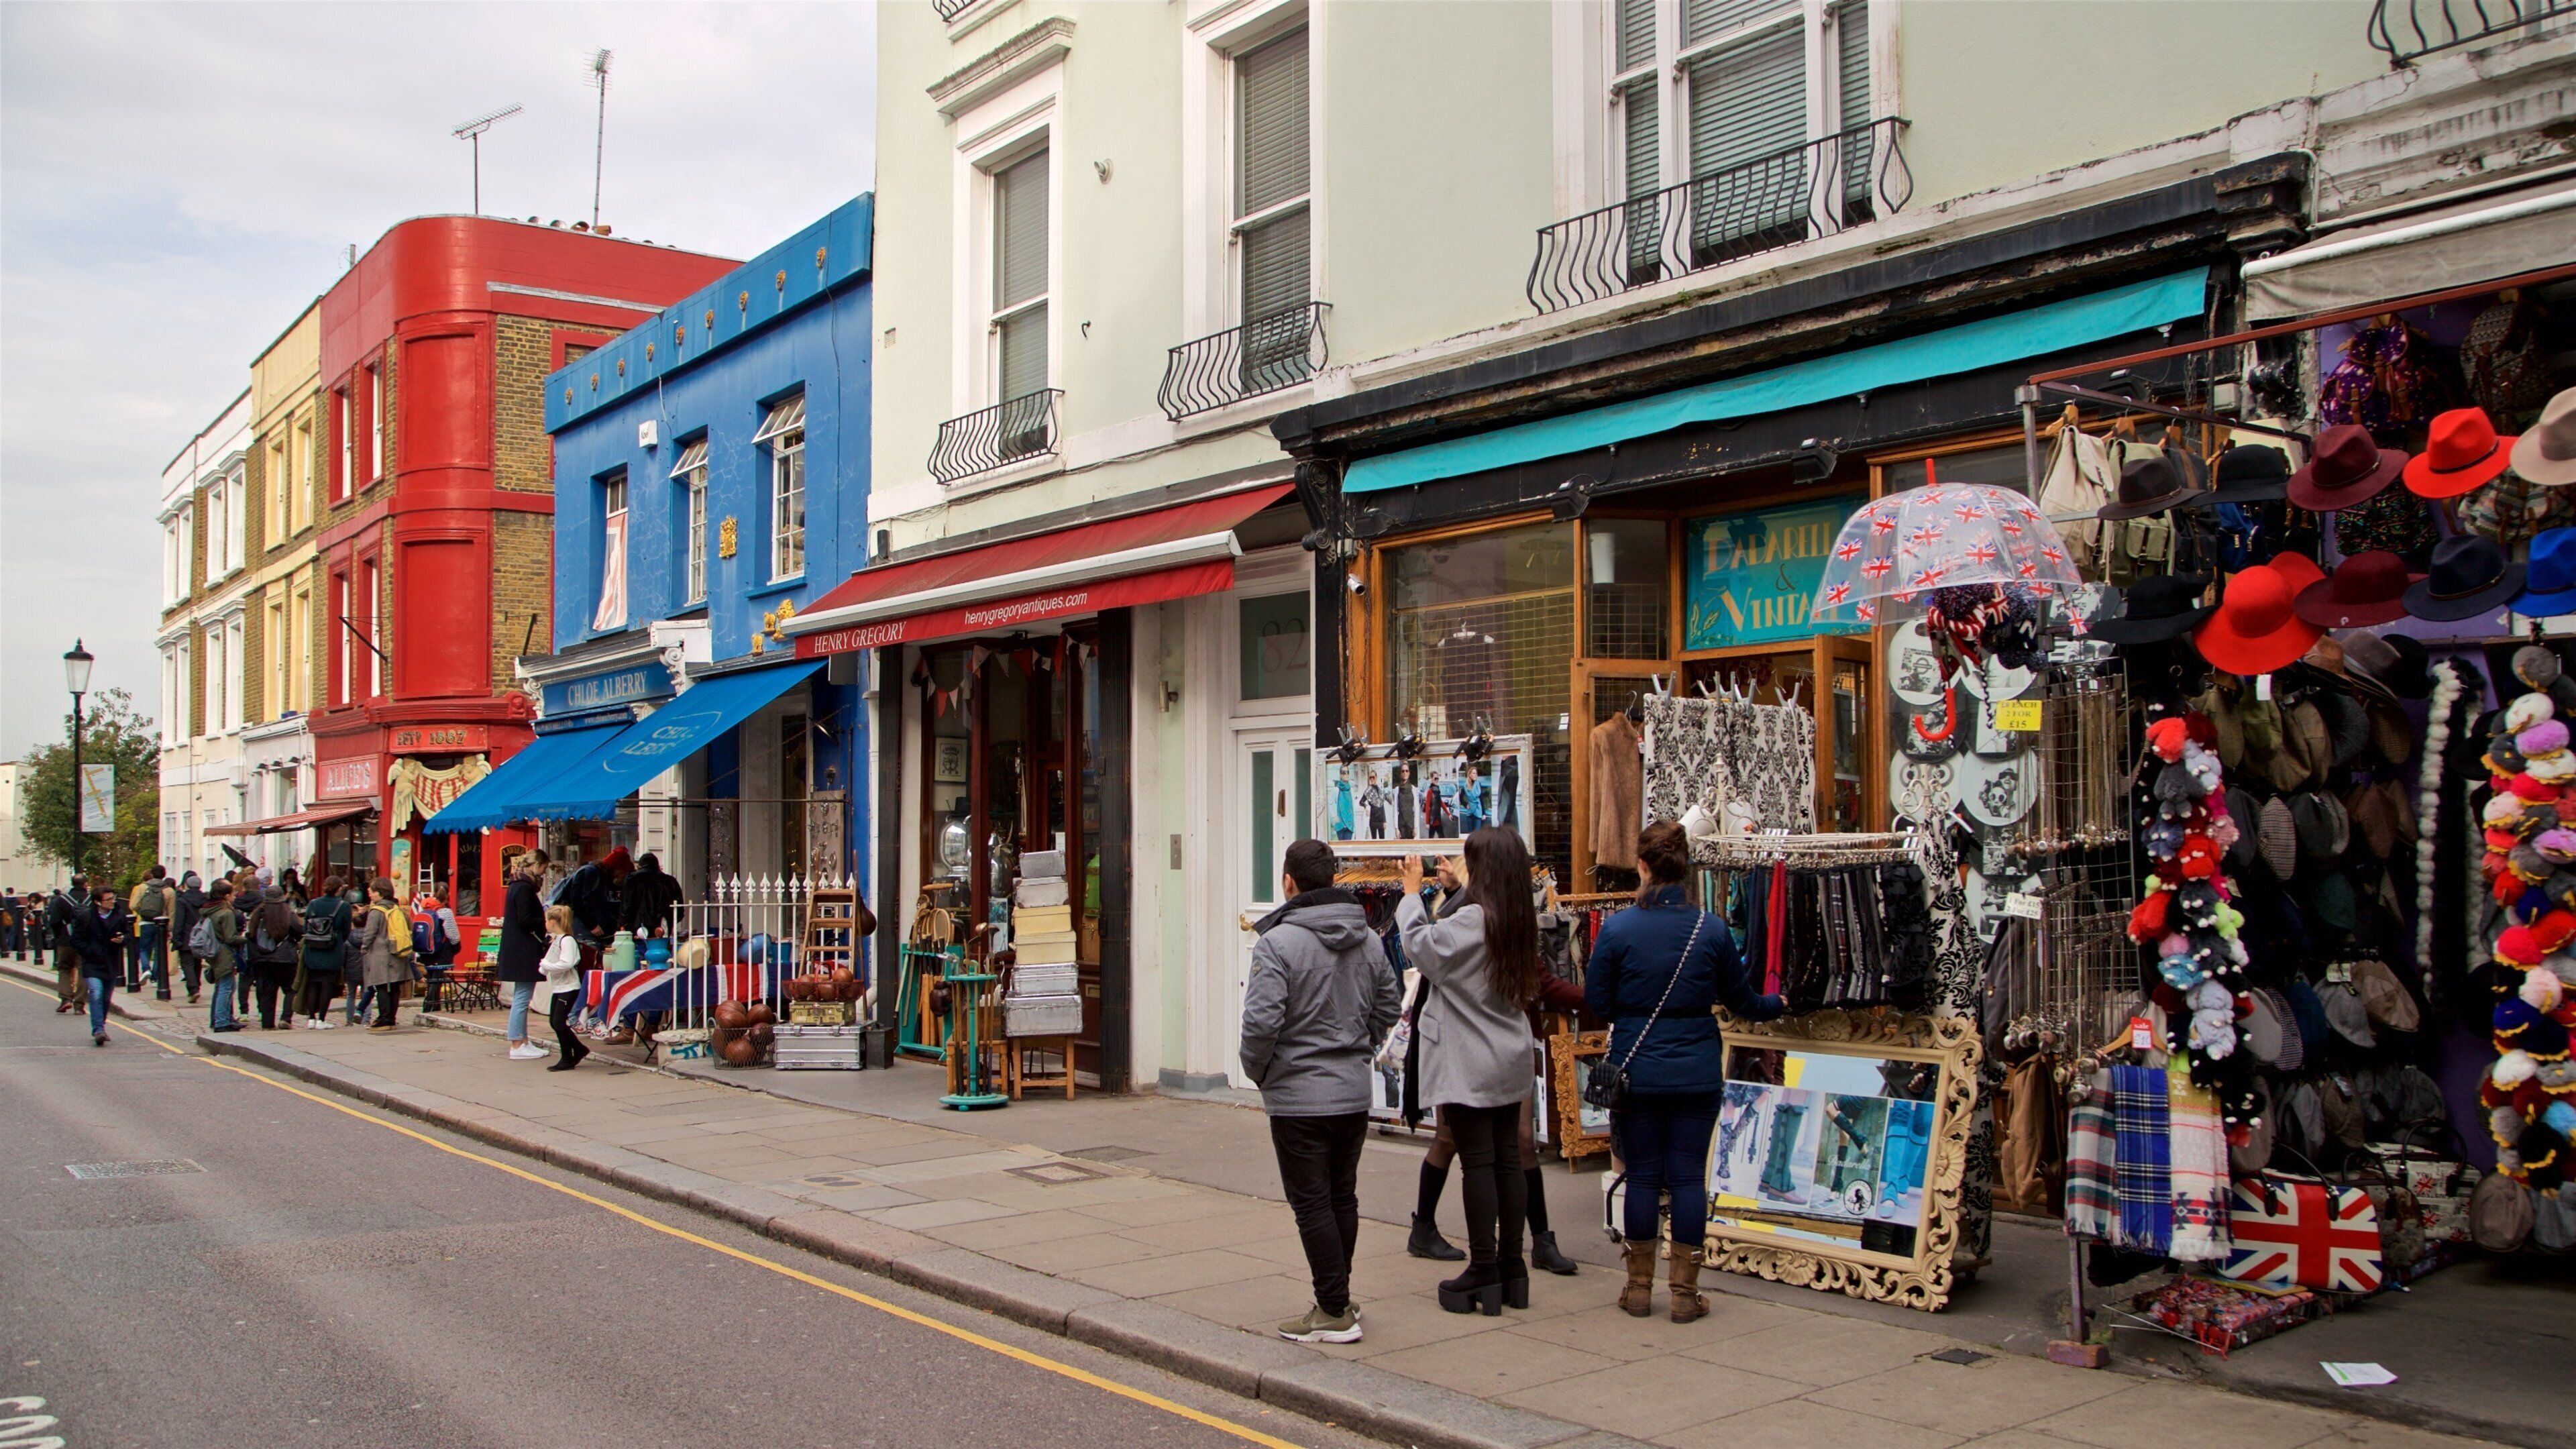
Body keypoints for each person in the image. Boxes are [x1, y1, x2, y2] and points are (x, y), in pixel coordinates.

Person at [1585, 821, 1782, 1324]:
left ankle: (1636, 1289)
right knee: (1689, 1178)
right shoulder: (1711, 929)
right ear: (1685, 868)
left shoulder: (1618, 928)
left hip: (1637, 1069)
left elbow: (1599, 1001)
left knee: (1645, 1175)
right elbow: (1744, 1003)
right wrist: (1780, 1001)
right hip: (1696, 1069)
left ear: (1643, 867)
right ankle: (1684, 1295)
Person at [1240, 838, 1402, 1344]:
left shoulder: (1277, 943)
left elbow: (1260, 1026)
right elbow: (1389, 1006)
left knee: (1313, 1204)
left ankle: (1333, 1309)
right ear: (1333, 881)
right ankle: (1338, 1299)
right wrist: (1360, 1050)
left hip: (1298, 1098)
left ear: (1289, 882)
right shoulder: (1368, 938)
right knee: (1341, 1198)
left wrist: (1262, 1073)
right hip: (1351, 1093)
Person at [1403, 857, 1587, 1276]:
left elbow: (1538, 979)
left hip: (1494, 1049)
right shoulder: (1462, 911)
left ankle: (1534, 1241)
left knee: (1515, 1143)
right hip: (1462, 1046)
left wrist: (1587, 998)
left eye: (1455, 862)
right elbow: (1428, 945)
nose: (1444, 866)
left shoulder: (1501, 916)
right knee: (1458, 1141)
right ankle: (1433, 1230)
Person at [1397, 828, 1543, 1316]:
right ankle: (1511, 1267)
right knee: (1506, 1158)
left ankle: (1483, 1268)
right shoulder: (1520, 917)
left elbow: (1422, 948)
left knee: (1478, 1161)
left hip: (1471, 1059)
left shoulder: (1476, 919)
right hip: (1509, 1053)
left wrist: (1412, 896)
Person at [496, 853, 549, 1060]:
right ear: (537, 865)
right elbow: (526, 920)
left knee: (522, 996)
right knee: (522, 998)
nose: (544, 872)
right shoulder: (524, 888)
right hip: (524, 949)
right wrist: (544, 921)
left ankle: (523, 1041)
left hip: (517, 948)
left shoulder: (515, 885)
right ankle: (517, 1044)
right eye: (543, 867)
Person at [68, 885, 131, 1045]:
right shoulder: (86, 917)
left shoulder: (119, 915)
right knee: (96, 993)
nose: (112, 901)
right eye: (108, 899)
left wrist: (122, 939)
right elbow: (76, 940)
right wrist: (90, 951)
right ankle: (98, 1030)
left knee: (105, 999)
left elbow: (129, 934)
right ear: (97, 902)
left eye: (113, 898)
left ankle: (100, 1026)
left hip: (111, 961)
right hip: (92, 962)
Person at [354, 877, 413, 1031]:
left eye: (372, 891)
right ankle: (392, 1019)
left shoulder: (377, 911)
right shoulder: (398, 909)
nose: (370, 894)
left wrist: (365, 949)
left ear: (380, 893)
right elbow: (409, 926)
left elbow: (369, 933)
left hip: (381, 954)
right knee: (394, 987)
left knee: (381, 986)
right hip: (398, 951)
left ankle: (384, 1019)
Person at [539, 903, 590, 1072]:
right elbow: (549, 959)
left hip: (569, 987)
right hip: (559, 987)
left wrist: (547, 965)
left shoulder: (568, 941)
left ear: (553, 922)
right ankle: (578, 1049)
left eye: (547, 920)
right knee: (554, 1022)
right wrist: (544, 967)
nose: (545, 923)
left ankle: (568, 1057)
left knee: (559, 1022)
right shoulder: (557, 940)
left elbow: (567, 963)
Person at [297, 875, 351, 1029]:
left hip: (313, 949)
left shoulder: (313, 904)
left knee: (313, 983)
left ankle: (311, 1018)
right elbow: (346, 930)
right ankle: (321, 1018)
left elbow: (305, 927)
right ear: (339, 889)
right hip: (332, 949)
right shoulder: (344, 906)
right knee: (327, 984)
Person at [246, 885, 303, 1030]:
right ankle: (286, 1018)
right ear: (282, 896)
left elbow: (251, 935)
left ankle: (267, 1022)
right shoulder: (287, 912)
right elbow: (299, 930)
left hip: (263, 958)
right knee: (290, 989)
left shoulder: (258, 913)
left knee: (268, 991)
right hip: (285, 957)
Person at [559, 847, 630, 947]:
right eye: (622, 872)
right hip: (585, 932)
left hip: (594, 932)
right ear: (614, 868)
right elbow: (578, 901)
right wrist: (591, 925)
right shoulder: (590, 873)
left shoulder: (602, 878)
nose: (622, 876)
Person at [203, 880, 244, 1031]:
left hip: (215, 950)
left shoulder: (210, 910)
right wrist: (246, 938)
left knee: (223, 986)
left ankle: (220, 1019)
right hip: (224, 951)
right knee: (226, 987)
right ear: (227, 896)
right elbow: (231, 937)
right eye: (233, 894)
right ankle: (222, 1021)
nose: (234, 897)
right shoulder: (226, 913)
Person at [619, 851, 685, 938]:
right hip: (662, 928)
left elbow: (626, 906)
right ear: (658, 866)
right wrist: (670, 922)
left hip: (639, 929)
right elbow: (679, 909)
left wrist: (624, 926)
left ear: (639, 866)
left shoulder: (633, 879)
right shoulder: (670, 881)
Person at [47, 875, 87, 1013]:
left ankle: (66, 998)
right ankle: (80, 1005)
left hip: (66, 940)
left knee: (64, 968)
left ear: (72, 884)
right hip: (85, 941)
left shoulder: (61, 900)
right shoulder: (91, 900)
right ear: (85, 884)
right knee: (83, 970)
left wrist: (60, 936)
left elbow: (54, 921)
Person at [170, 871, 207, 1004]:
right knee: (197, 963)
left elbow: (179, 920)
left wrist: (176, 938)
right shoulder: (205, 899)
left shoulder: (182, 900)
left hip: (187, 935)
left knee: (187, 964)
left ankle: (193, 988)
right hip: (202, 935)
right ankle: (197, 985)